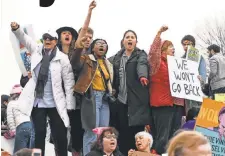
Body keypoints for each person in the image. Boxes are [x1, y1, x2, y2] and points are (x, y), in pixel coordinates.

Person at [11, 22, 75, 156]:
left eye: (50, 38)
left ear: (55, 41)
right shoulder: (36, 50)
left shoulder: (62, 58)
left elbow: (69, 83)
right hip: (38, 102)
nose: (47, 40)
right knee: (39, 135)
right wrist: (16, 29)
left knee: (60, 135)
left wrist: (70, 105)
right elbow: (24, 38)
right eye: (45, 38)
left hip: (56, 102)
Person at [71, 22, 113, 155]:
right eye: (98, 43)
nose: (101, 45)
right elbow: (75, 63)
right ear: (93, 48)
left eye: (104, 44)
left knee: (103, 133)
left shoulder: (108, 63)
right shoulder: (86, 59)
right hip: (91, 97)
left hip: (105, 99)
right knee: (91, 132)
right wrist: (79, 47)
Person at [111, 30, 151, 155]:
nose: (130, 39)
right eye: (127, 37)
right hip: (121, 101)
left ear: (136, 41)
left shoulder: (141, 54)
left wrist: (142, 76)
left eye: (132, 37)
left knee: (137, 135)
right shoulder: (116, 58)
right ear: (123, 41)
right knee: (122, 133)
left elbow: (142, 65)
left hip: (136, 101)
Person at [148, 26, 184, 154]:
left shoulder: (176, 65)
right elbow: (153, 52)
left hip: (176, 105)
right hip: (162, 105)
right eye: (170, 47)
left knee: (174, 136)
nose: (173, 49)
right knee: (162, 137)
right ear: (163, 49)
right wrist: (158, 34)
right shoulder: (157, 64)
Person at [181, 35, 207, 113]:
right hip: (186, 94)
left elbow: (203, 74)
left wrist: (201, 79)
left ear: (193, 45)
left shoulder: (200, 58)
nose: (186, 46)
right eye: (184, 44)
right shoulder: (180, 59)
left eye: (188, 44)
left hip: (197, 91)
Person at [6, 84, 34, 153]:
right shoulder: (26, 103)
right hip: (31, 127)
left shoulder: (11, 103)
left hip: (21, 126)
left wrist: (13, 130)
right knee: (30, 153)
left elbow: (10, 119)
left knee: (19, 153)